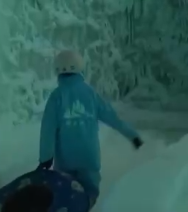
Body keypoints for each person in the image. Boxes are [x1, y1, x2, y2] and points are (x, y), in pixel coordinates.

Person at [38, 49, 144, 207]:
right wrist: (132, 136)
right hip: (89, 159)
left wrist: (45, 158)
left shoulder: (56, 97)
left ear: (57, 70)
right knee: (88, 196)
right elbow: (113, 118)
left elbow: (48, 130)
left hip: (65, 162)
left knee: (65, 197)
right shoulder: (90, 94)